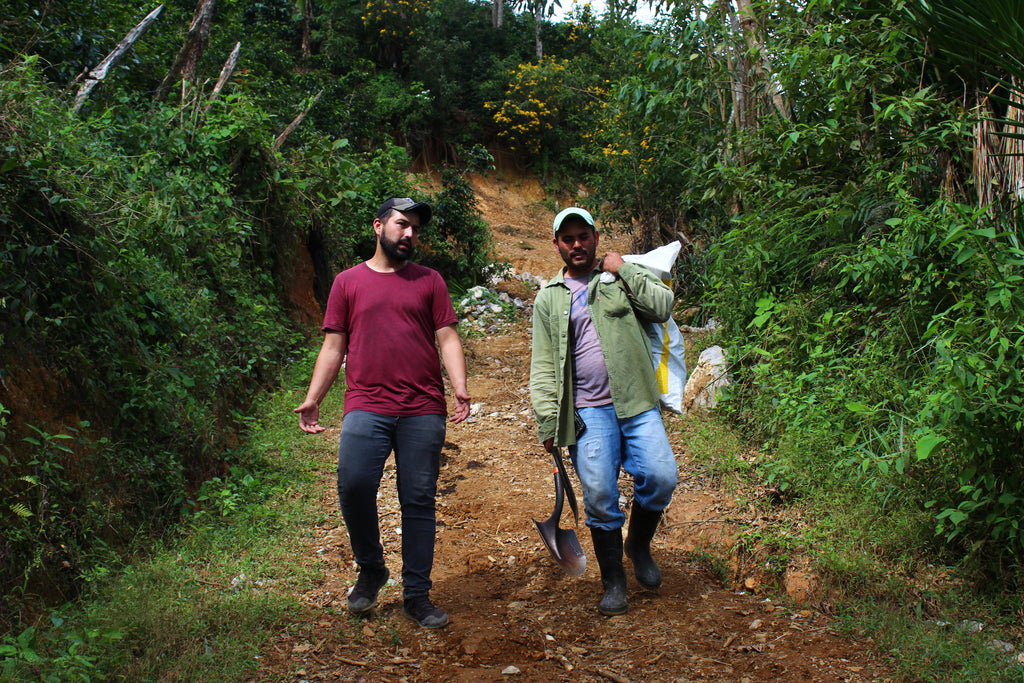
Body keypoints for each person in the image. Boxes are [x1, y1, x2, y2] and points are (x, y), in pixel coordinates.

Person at [295, 197, 471, 629]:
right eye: (400, 224)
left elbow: (447, 337)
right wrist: (315, 396)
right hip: (366, 404)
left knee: (417, 500)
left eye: (414, 228)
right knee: (354, 484)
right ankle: (372, 568)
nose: (409, 234)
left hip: (422, 408)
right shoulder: (347, 282)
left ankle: (417, 594)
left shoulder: (430, 281)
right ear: (378, 226)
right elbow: (334, 346)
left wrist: (460, 387)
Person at [530, 207, 678, 616]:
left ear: (596, 236)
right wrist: (547, 420)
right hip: (587, 412)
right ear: (557, 244)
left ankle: (638, 545)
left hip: (636, 401)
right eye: (568, 238)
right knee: (598, 494)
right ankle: (614, 580)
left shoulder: (619, 275)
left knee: (662, 477)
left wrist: (625, 269)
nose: (576, 244)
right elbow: (543, 365)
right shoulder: (549, 297)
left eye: (583, 236)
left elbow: (662, 306)